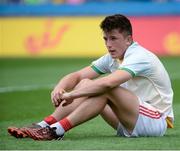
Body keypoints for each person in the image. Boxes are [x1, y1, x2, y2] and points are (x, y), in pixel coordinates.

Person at [8, 14, 174, 140]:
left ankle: (55, 131)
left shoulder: (139, 56)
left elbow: (109, 83)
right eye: (106, 39)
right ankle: (44, 124)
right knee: (87, 82)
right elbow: (78, 75)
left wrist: (72, 94)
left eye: (113, 38)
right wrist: (59, 87)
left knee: (106, 88)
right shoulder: (113, 57)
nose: (108, 44)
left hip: (156, 121)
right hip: (127, 120)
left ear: (128, 39)